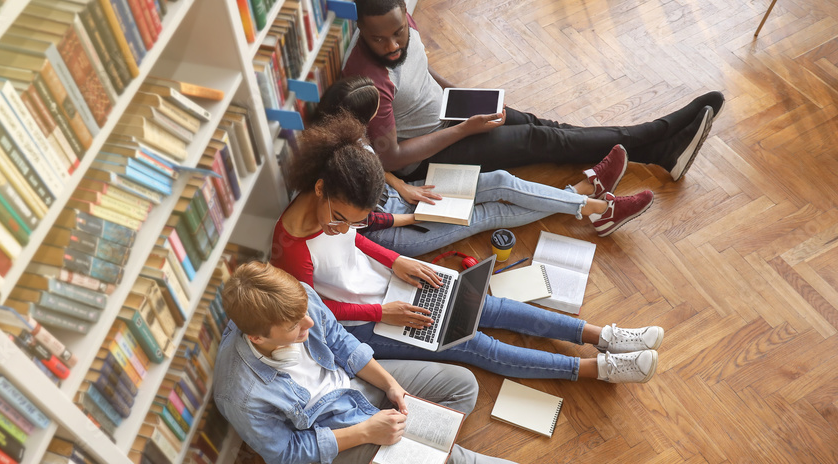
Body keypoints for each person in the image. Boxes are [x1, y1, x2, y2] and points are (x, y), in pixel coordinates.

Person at [213, 261, 651, 464]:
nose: (309, 328)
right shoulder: (242, 393)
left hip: (358, 388)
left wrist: (393, 387)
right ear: (257, 336)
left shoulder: (297, 299)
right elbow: (286, 452)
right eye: (295, 330)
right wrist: (367, 431)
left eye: (306, 317)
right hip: (335, 427)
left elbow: (344, 346)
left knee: (463, 384)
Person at [270, 113, 665, 384]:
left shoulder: (335, 212)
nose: (346, 227)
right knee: (474, 344)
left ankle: (605, 335)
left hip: (388, 284)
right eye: (341, 217)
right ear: (319, 189)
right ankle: (602, 369)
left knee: (486, 305)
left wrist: (397, 259)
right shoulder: (290, 250)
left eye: (355, 219)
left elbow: (354, 239)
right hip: (365, 322)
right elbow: (320, 313)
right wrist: (382, 311)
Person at [342, 0, 725, 183]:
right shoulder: (369, 84)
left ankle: (660, 153)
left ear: (405, 13)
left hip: (451, 113)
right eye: (379, 39)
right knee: (540, 141)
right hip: (429, 156)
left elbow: (420, 70)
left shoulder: (397, 20)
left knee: (541, 125)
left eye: (398, 33)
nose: (392, 45)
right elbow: (391, 158)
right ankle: (657, 130)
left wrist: (460, 95)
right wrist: (465, 130)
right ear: (360, 29)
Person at [314, 76, 655, 254]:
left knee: (502, 182)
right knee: (490, 213)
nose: (381, 118)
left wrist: (402, 185)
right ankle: (592, 202)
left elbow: (373, 168)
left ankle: (591, 203)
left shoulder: (352, 139)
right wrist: (418, 214)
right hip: (394, 230)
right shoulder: (329, 167)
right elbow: (359, 222)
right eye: (375, 114)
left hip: (401, 197)